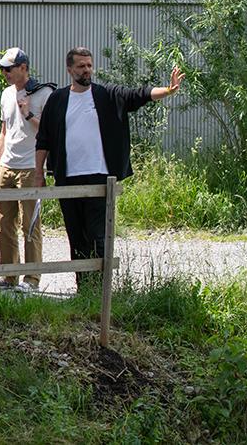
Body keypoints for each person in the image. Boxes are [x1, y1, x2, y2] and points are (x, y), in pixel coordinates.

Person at [35, 47, 181, 289]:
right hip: (68, 178)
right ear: (70, 69)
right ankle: (84, 289)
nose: (86, 70)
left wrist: (167, 90)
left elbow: (139, 94)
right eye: (81, 66)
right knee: (76, 236)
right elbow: (44, 139)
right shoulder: (58, 99)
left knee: (97, 236)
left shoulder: (107, 95)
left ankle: (102, 292)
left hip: (100, 178)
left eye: (89, 65)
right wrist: (39, 173)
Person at [0, 47, 53, 291]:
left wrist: (28, 114)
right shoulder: (6, 94)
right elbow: (4, 131)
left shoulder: (44, 93)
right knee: (4, 224)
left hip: (30, 166)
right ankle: (9, 275)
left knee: (31, 224)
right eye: (3, 68)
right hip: (7, 165)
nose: (4, 72)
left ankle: (31, 278)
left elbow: (48, 132)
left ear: (24, 68)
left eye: (9, 68)